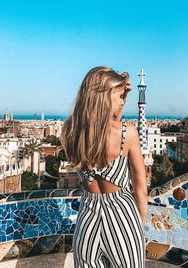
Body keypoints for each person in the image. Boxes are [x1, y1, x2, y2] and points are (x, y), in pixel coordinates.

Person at [61, 66, 148, 267]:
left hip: (87, 220)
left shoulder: (70, 132)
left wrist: (120, 88)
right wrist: (137, 227)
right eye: (119, 96)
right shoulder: (128, 133)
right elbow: (141, 190)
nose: (123, 101)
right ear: (106, 96)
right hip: (122, 217)